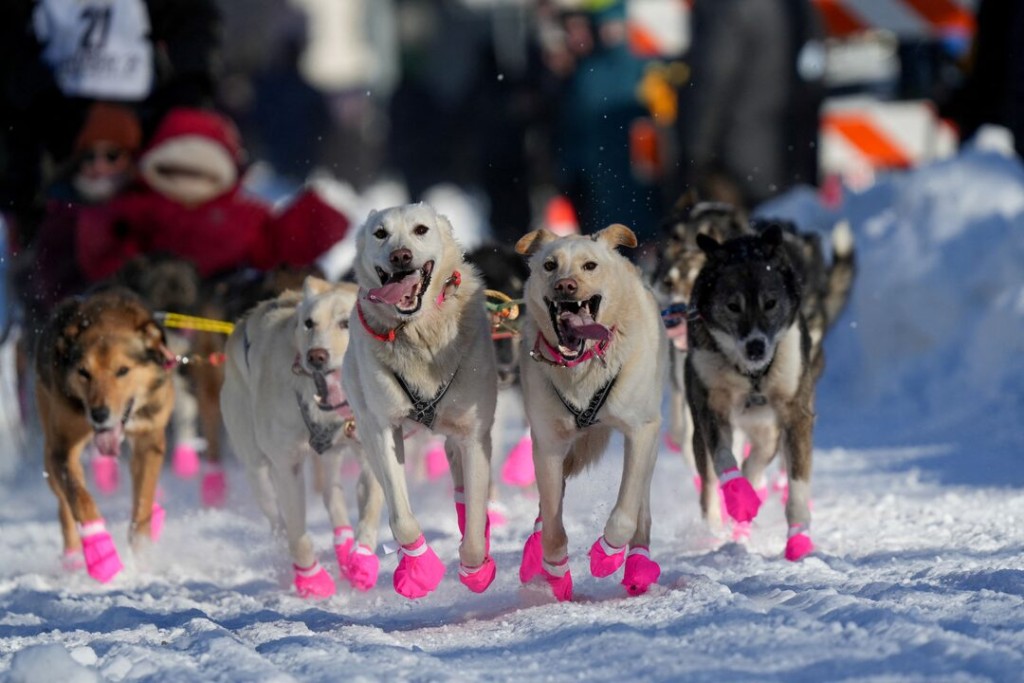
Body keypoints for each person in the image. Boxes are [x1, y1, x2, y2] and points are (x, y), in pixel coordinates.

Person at [675, 0, 826, 212]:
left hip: (738, 160)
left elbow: (711, 83)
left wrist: (694, 155)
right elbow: (815, 78)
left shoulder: (727, 8)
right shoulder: (800, 7)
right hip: (790, 157)